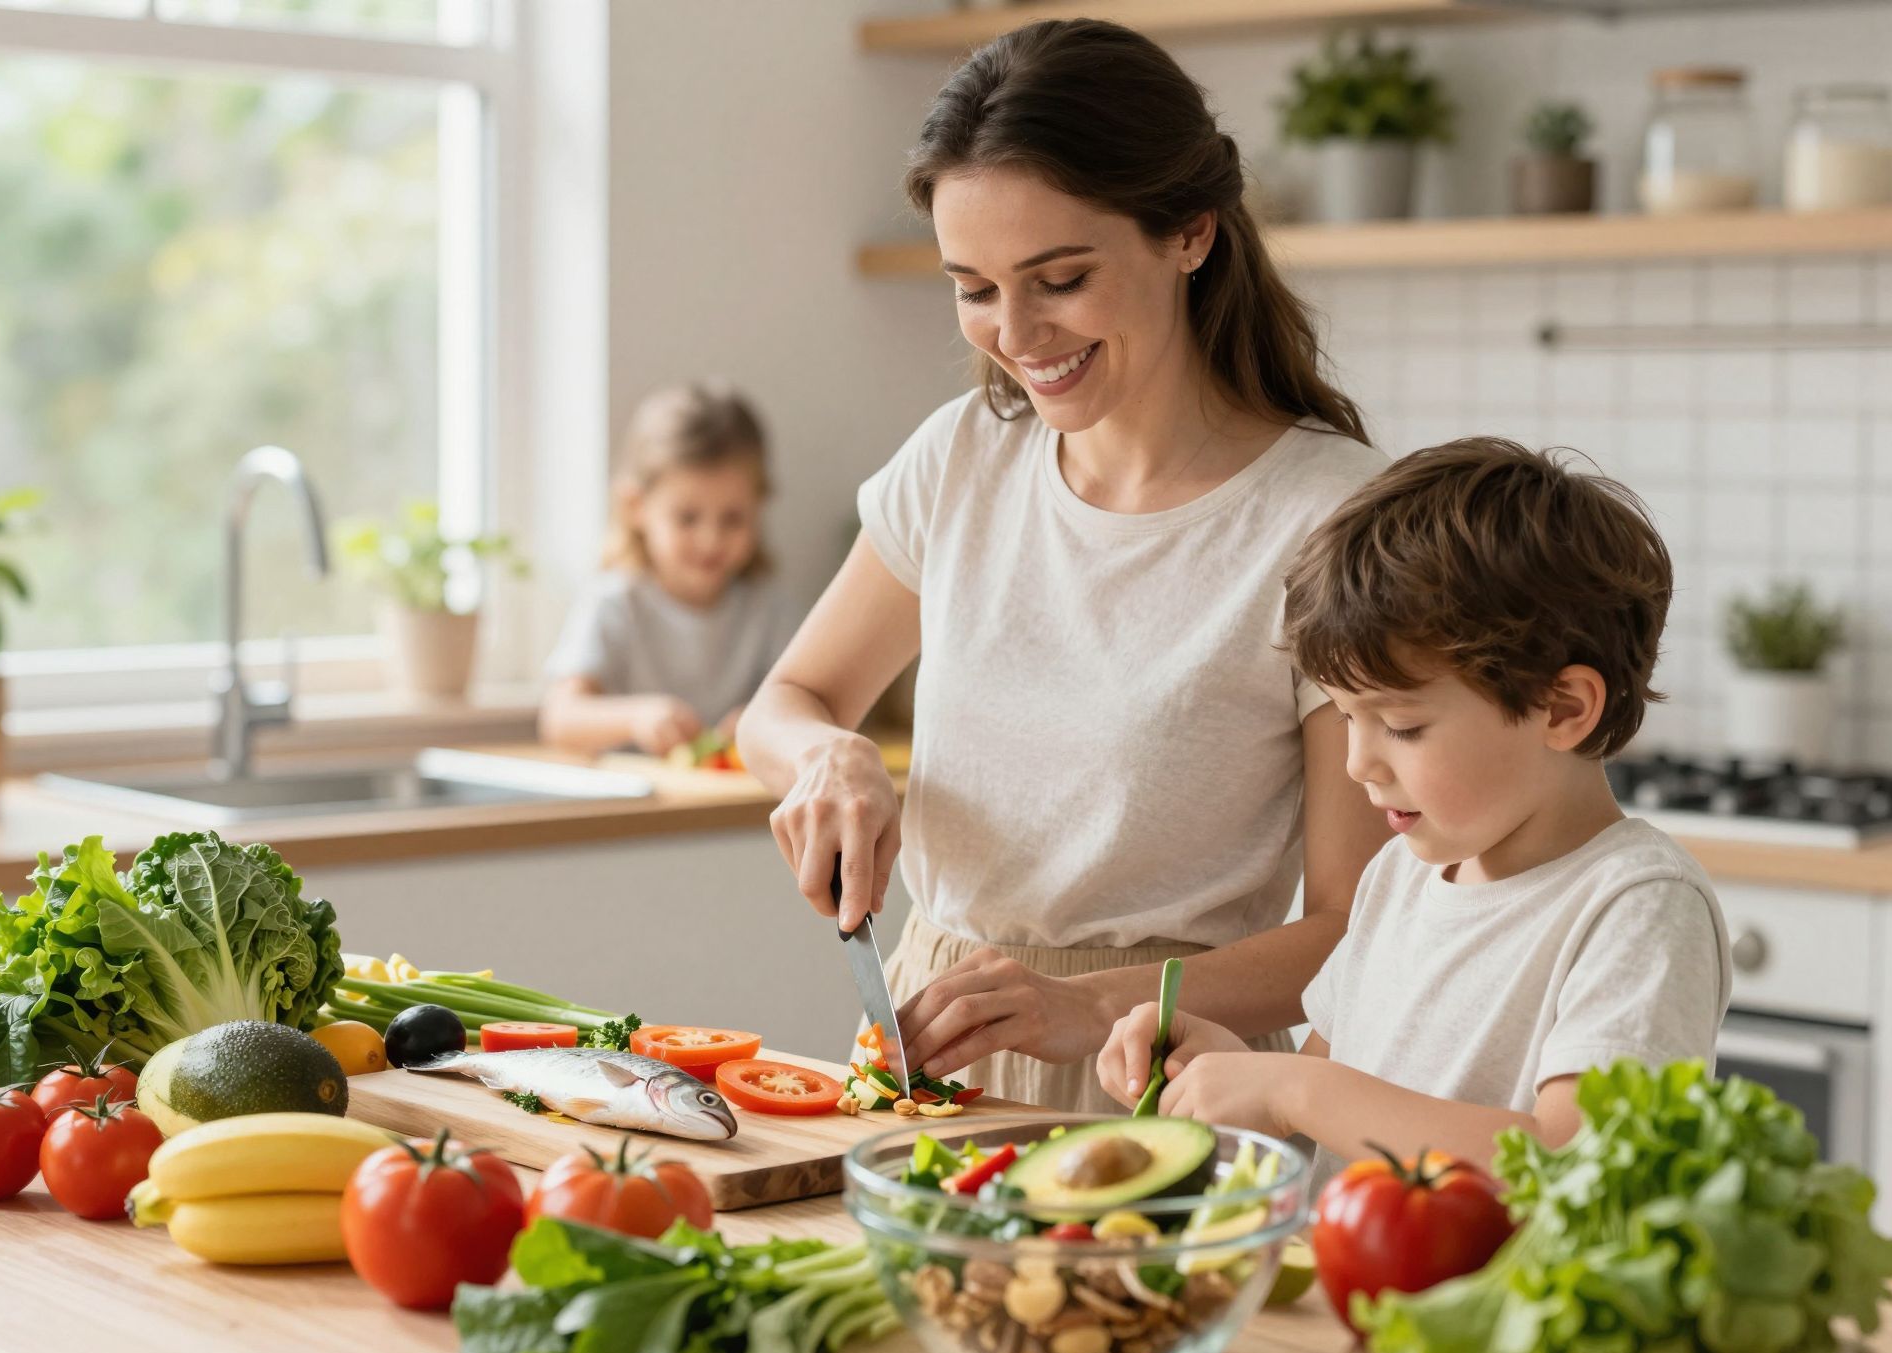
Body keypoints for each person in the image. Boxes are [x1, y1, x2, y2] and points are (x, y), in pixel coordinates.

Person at [738, 19, 1393, 1112]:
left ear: (1189, 233)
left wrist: (1090, 1006)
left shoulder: (1331, 518)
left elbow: (1353, 928)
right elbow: (783, 701)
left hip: (1163, 1071)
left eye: (1058, 278)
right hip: (927, 1041)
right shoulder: (960, 456)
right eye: (974, 286)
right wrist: (826, 759)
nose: (1015, 332)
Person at [1097, 439, 1732, 1179]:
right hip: (1351, 1291)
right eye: (1344, 716)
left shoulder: (1638, 906)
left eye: (1401, 726)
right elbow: (1324, 1128)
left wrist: (1295, 1090)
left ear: (1562, 708)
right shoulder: (1398, 877)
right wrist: (1225, 1080)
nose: (1358, 763)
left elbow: (1578, 1162)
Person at [540, 383, 800, 757]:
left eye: (733, 518)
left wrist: (766, 721)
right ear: (636, 507)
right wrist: (636, 717)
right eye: (687, 518)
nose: (711, 540)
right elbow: (559, 719)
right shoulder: (615, 601)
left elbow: (814, 706)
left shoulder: (770, 608)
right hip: (638, 810)